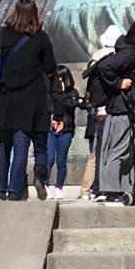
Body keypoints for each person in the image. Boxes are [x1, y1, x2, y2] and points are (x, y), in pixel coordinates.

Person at [0, 0, 59, 201]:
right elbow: (50, 67)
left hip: (5, 97)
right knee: (21, 144)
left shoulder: (0, 35)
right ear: (35, 14)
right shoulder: (40, 38)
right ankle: (16, 189)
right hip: (30, 99)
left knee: (3, 144)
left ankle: (1, 188)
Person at [88, 19, 135, 203]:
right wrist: (119, 83)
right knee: (118, 150)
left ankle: (125, 188)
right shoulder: (131, 54)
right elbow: (104, 67)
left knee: (129, 151)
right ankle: (112, 190)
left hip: (130, 108)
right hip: (122, 108)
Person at [42, 59, 79, 200]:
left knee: (61, 161)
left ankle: (59, 187)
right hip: (51, 129)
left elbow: (71, 105)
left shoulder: (72, 93)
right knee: (49, 158)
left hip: (66, 130)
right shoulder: (50, 93)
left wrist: (61, 95)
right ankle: (45, 185)